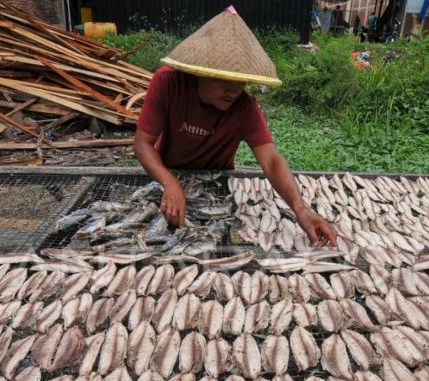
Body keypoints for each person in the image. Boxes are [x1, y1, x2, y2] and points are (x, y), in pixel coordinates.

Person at [134, 7, 337, 247]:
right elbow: (143, 143)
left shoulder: (244, 107)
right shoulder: (168, 83)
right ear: (201, 71)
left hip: (218, 181)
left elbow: (271, 160)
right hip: (169, 173)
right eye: (224, 80)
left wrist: (301, 209)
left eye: (240, 81)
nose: (234, 90)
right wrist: (169, 183)